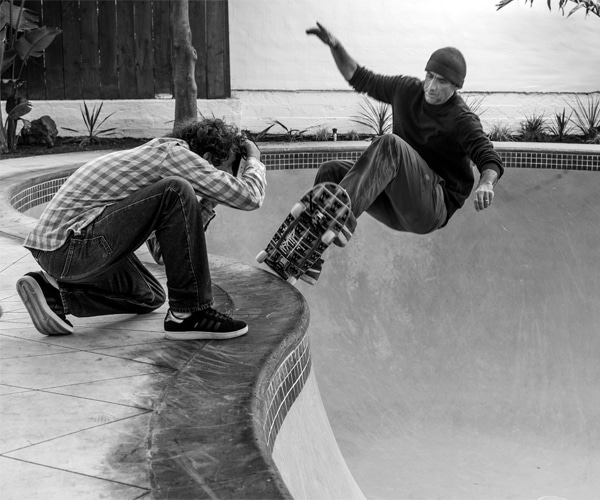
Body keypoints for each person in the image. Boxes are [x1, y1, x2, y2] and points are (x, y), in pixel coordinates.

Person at [16, 118, 266, 340]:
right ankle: (189, 313)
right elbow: (250, 197)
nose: (225, 181)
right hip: (70, 248)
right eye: (228, 172)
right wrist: (253, 158)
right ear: (212, 158)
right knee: (176, 189)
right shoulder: (174, 156)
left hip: (64, 251)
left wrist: (210, 200)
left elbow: (162, 253)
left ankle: (55, 294)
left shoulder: (157, 168)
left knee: (150, 295)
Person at [304, 22, 504, 280]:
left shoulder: (461, 118)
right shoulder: (406, 89)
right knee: (329, 171)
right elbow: (360, 77)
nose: (431, 87)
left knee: (391, 144)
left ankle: (339, 218)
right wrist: (336, 46)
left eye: (441, 81)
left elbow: (489, 158)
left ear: (456, 87)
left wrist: (487, 184)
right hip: (392, 202)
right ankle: (309, 251)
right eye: (429, 76)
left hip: (430, 208)